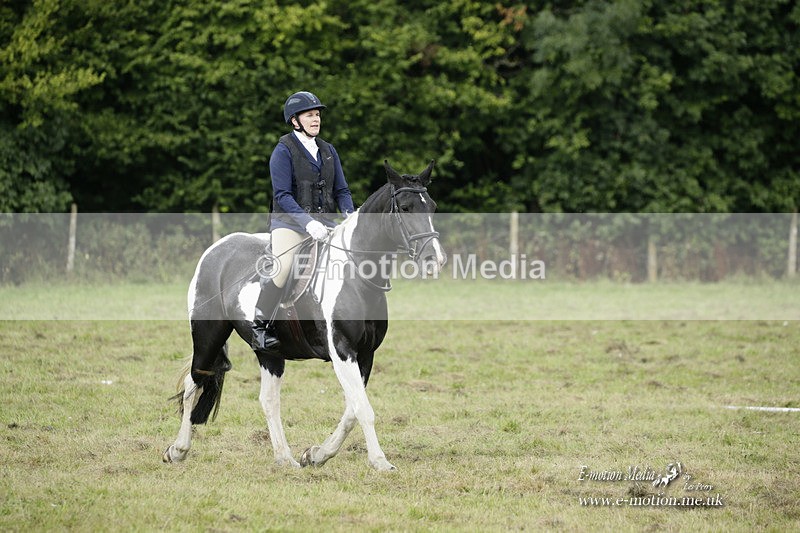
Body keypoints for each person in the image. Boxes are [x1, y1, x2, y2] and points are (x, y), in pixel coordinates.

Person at [252, 91, 355, 350]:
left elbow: (341, 190)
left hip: (327, 225)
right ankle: (260, 326)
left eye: (318, 114)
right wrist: (308, 223)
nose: (316, 119)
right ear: (295, 121)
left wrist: (349, 214)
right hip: (289, 225)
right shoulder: (283, 151)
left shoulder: (328, 150)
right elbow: (282, 195)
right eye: (310, 115)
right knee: (283, 267)